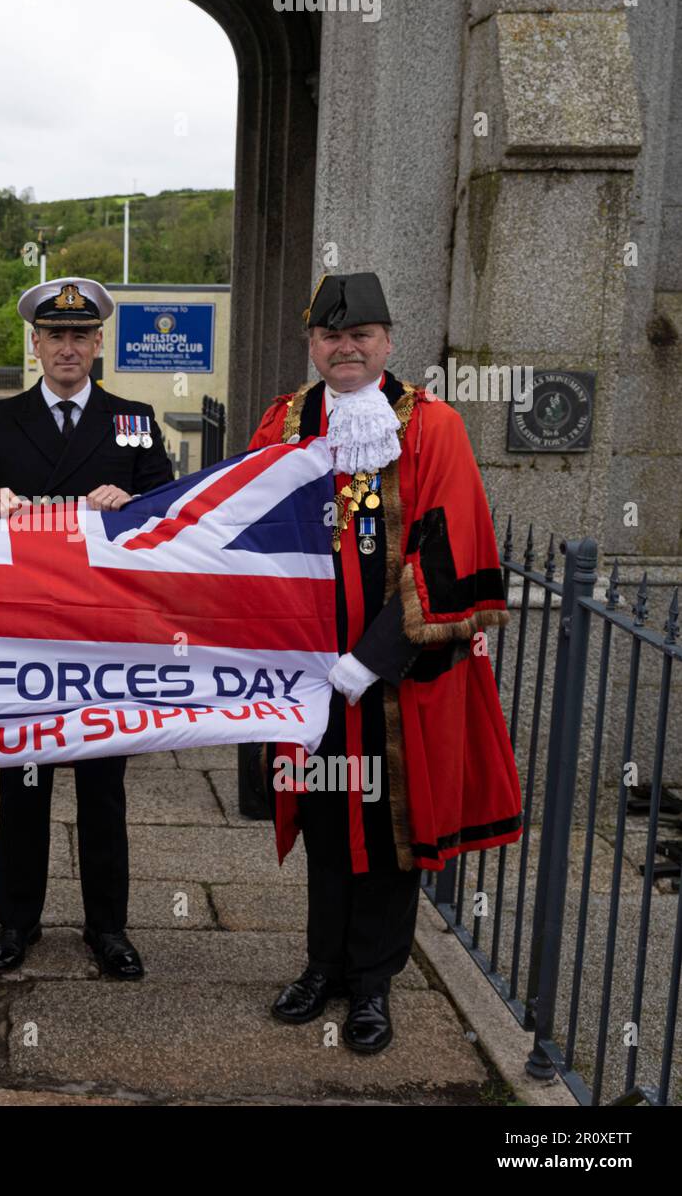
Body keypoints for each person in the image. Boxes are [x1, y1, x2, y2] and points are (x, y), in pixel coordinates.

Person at [248, 271, 522, 1053]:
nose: (346, 348)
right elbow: (251, 532)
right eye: (331, 337)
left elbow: (451, 545)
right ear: (313, 344)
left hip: (397, 685)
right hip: (306, 678)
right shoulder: (285, 420)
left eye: (360, 335)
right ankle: (322, 967)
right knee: (328, 820)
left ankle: (372, 985)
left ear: (387, 341)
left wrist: (372, 658)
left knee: (392, 833)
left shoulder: (433, 427)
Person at [0, 277, 174, 979]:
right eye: (55, 336)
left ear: (98, 344)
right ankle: (16, 925)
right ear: (35, 345)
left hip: (102, 633)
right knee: (25, 784)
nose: (67, 348)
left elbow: (170, 512)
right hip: (25, 632)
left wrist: (131, 500)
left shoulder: (132, 418)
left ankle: (109, 928)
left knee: (104, 788)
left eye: (80, 336)